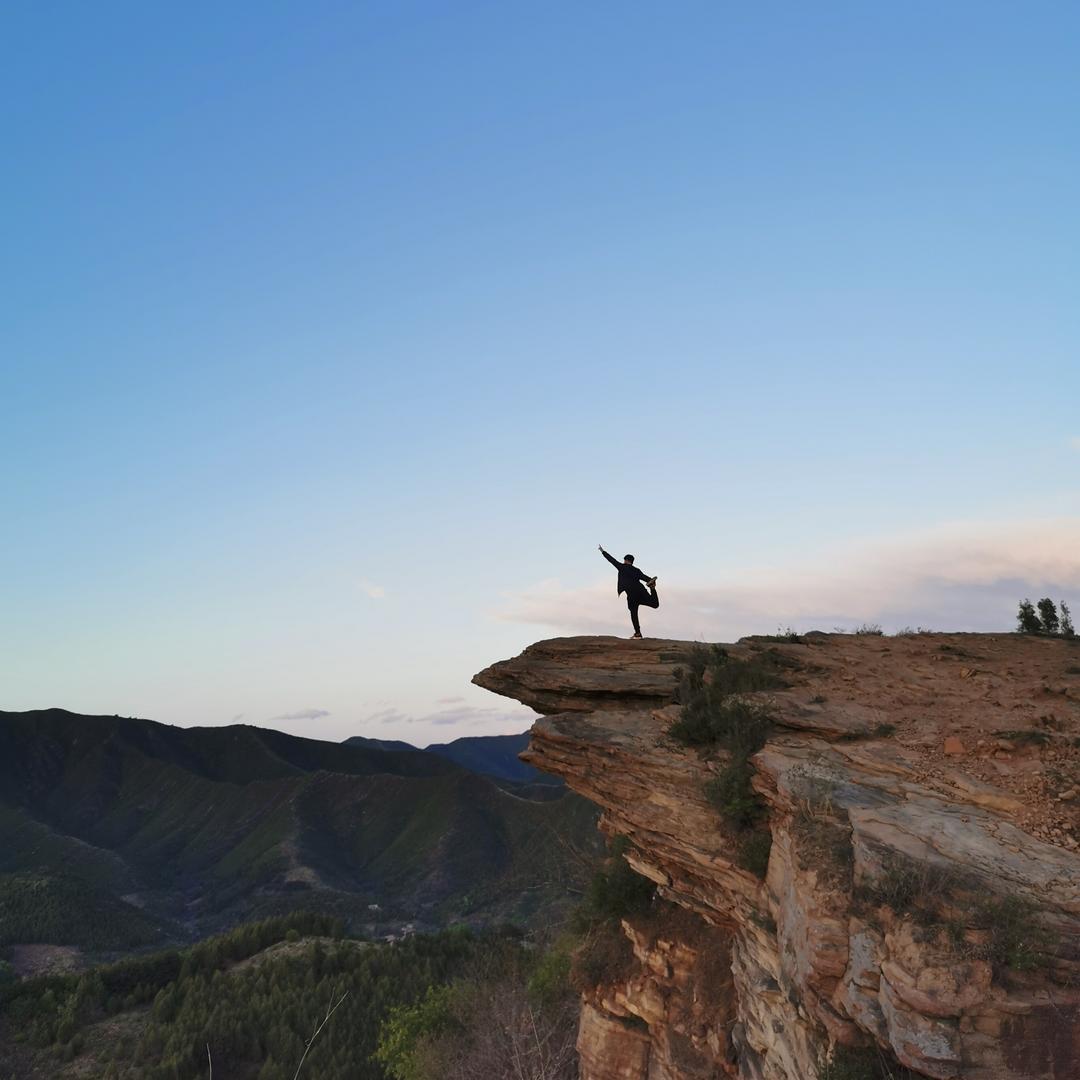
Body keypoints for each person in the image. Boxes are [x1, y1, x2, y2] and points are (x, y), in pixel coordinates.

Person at [599, 545, 659, 639]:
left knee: (633, 614)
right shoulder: (636, 570)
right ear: (632, 562)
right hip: (641, 591)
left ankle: (638, 633)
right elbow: (645, 578)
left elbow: (611, 560)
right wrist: (651, 580)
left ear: (626, 560)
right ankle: (652, 589)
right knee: (655, 604)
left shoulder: (622, 567)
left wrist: (603, 551)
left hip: (632, 595)